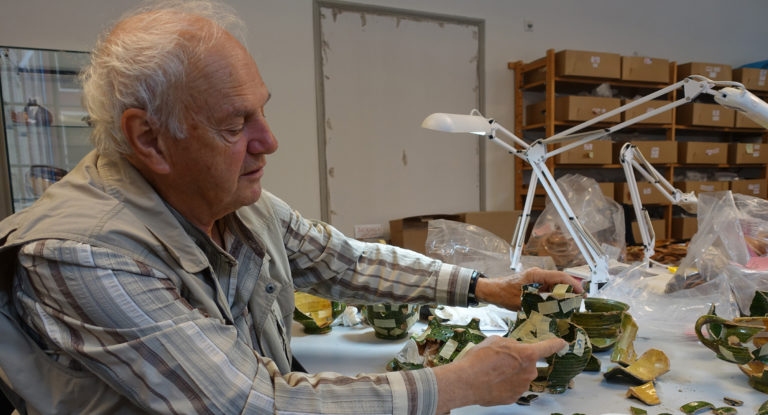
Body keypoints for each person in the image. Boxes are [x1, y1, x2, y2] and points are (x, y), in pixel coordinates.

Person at [0, 1, 583, 414]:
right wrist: (455, 385)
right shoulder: (83, 255)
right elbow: (252, 404)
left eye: (262, 111)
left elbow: (348, 264)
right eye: (236, 124)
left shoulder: (237, 203)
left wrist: (488, 288)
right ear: (150, 139)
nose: (269, 141)